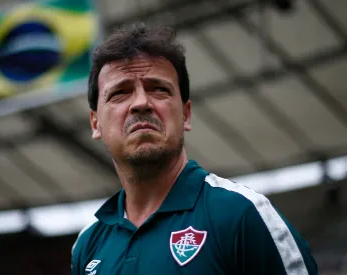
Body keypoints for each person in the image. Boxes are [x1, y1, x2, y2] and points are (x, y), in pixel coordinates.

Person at [71, 23, 319, 275]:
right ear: (95, 123)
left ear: (186, 115)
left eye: (158, 89)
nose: (141, 102)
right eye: (120, 93)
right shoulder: (88, 243)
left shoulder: (241, 213)